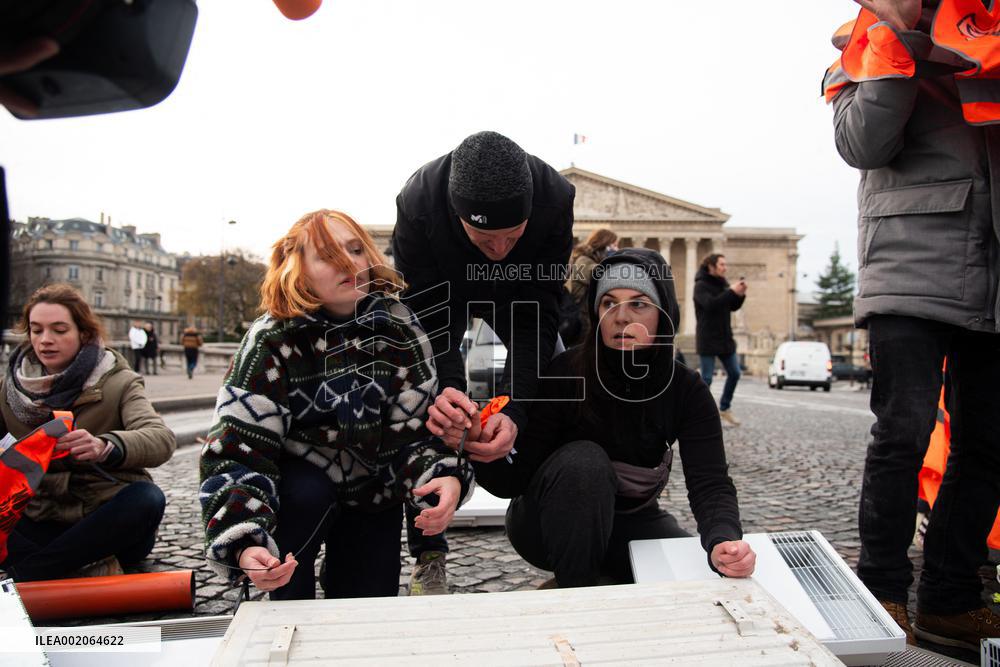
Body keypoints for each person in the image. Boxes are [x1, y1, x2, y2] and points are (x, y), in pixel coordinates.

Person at [828, 0, 1000, 649]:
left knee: (987, 441)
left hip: (994, 262)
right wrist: (898, 41)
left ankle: (952, 598)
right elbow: (862, 143)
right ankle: (882, 594)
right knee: (903, 432)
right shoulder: (865, 36)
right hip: (911, 259)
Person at [199, 209, 474, 600]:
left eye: (356, 249)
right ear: (298, 269)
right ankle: (286, 594)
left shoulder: (400, 327)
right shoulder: (270, 341)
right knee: (305, 504)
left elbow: (414, 436)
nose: (349, 263)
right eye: (328, 255)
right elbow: (237, 451)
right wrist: (246, 541)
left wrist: (443, 475)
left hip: (373, 494)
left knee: (365, 609)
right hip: (297, 497)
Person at [471, 248, 755, 587]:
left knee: (688, 569)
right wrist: (484, 445)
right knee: (585, 460)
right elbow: (510, 482)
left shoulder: (686, 389)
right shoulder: (565, 375)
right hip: (545, 525)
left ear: (663, 314)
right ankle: (577, 590)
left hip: (632, 521)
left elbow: (709, 481)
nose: (621, 317)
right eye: (609, 303)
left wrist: (722, 538)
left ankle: (600, 575)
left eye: (638, 303)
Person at [391, 131, 575, 594]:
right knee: (428, 403)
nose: (499, 250)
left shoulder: (556, 197)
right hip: (444, 302)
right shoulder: (418, 202)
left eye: (513, 236)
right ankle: (428, 551)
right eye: (484, 237)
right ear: (455, 218)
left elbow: (538, 315)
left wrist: (511, 407)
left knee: (555, 391)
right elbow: (432, 314)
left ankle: (556, 531)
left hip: (521, 303)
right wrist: (450, 387)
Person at [0, 284, 174, 580]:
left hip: (102, 519)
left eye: (59, 330)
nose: (45, 340)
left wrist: (104, 446)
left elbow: (161, 439)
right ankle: (77, 566)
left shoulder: (120, 381)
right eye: (36, 330)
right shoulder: (9, 389)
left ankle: (27, 576)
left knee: (147, 498)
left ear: (83, 333)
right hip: (40, 517)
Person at [693, 254, 746, 426]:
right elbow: (710, 306)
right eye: (722, 264)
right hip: (708, 337)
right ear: (711, 266)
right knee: (707, 378)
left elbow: (731, 306)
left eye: (725, 264)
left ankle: (724, 407)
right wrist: (731, 292)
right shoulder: (700, 286)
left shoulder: (722, 283)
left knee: (735, 373)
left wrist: (739, 295)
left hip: (725, 338)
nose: (725, 267)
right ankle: (700, 413)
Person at [563, 229, 618, 346]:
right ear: (604, 244)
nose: (616, 248)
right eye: (613, 245)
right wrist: (614, 258)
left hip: (587, 322)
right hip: (580, 322)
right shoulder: (584, 261)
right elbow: (606, 277)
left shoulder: (591, 260)